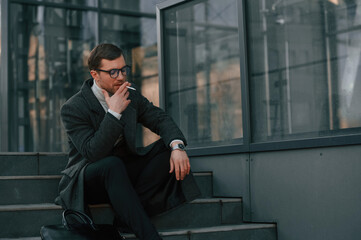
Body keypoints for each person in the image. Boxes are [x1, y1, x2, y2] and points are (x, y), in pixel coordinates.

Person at [55, 43, 201, 240]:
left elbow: (159, 118)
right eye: (113, 72)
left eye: (123, 69)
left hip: (122, 174)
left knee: (165, 151)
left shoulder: (129, 95)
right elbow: (93, 153)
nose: (121, 76)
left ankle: (125, 218)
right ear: (95, 74)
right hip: (88, 176)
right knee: (111, 165)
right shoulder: (73, 107)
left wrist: (177, 146)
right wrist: (113, 113)